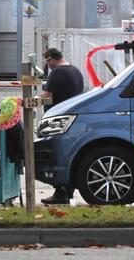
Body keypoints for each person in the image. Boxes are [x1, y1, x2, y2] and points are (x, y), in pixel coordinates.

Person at [40, 48, 84, 205]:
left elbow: (47, 95)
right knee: (67, 156)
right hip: (74, 119)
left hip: (59, 121)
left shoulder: (57, 72)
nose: (48, 66)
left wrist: (35, 99)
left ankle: (60, 193)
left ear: (52, 59)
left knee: (56, 157)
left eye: (48, 62)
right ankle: (66, 193)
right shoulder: (75, 70)